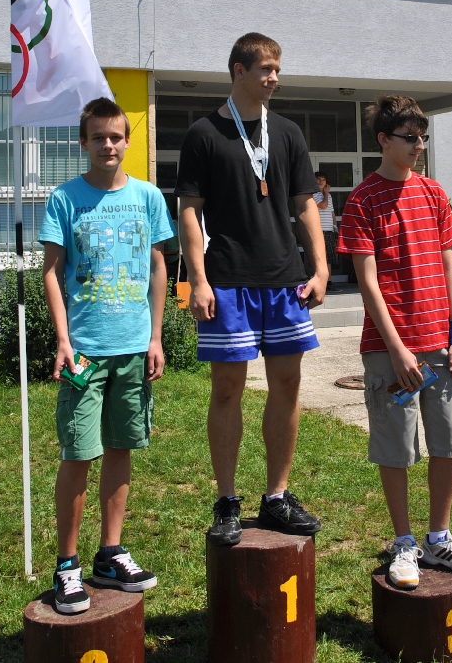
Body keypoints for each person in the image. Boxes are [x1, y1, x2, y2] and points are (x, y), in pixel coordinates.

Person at [175, 32, 328, 545]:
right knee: (227, 390)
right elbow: (189, 212)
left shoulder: (287, 132)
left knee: (287, 384)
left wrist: (320, 268)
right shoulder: (203, 134)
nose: (274, 78)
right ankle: (226, 502)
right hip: (227, 282)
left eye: (277, 69)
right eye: (265, 69)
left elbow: (305, 205)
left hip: (284, 280)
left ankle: (276, 497)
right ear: (238, 71)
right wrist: (197, 280)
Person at [337, 95, 452, 590]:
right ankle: (404, 544)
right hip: (390, 350)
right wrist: (398, 349)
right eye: (409, 138)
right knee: (396, 447)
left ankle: (439, 539)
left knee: (448, 441)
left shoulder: (433, 193)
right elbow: (367, 282)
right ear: (384, 140)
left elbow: (449, 265)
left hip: (440, 344)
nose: (419, 146)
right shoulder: (362, 200)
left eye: (423, 138)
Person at [39, 97, 175, 614]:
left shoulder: (147, 197)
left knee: (121, 448)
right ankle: (67, 566)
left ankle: (110, 554)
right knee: (78, 453)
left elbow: (158, 267)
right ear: (84, 142)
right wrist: (63, 340)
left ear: (128, 141)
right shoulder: (65, 198)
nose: (108, 145)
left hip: (134, 349)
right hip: (85, 355)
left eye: (116, 136)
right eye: (98, 137)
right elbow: (51, 272)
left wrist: (155, 337)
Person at [313, 171, 342, 293]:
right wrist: (325, 194)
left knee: (329, 258)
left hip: (329, 230)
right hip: (319, 230)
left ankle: (329, 282)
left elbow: (332, 212)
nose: (321, 182)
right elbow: (323, 206)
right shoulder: (313, 194)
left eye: (323, 179)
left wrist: (335, 228)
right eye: (318, 179)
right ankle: (321, 283)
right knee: (321, 258)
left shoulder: (328, 196)